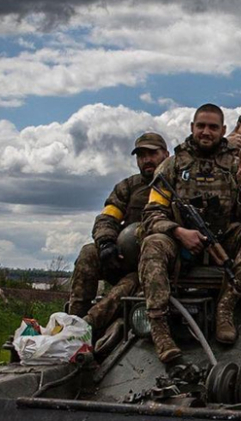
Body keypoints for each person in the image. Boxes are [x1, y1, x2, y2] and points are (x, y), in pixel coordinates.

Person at [139, 103, 241, 363]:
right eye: (201, 126)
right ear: (192, 127)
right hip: (181, 243)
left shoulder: (236, 165)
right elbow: (151, 214)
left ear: (223, 130)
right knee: (153, 242)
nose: (206, 132)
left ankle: (225, 308)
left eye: (213, 127)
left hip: (223, 240)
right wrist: (178, 231)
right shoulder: (171, 166)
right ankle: (159, 329)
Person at [68, 132, 169, 323]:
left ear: (166, 154)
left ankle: (88, 325)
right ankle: (74, 317)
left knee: (124, 288)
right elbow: (107, 218)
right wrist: (106, 243)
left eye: (152, 154)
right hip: (123, 257)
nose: (147, 160)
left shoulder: (177, 185)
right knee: (89, 252)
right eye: (141, 156)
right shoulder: (128, 187)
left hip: (155, 265)